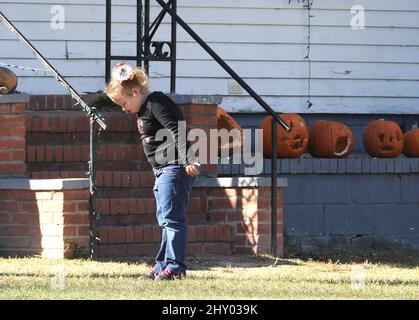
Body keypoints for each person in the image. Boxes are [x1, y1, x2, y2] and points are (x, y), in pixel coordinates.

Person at [105, 62, 200, 280]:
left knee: (173, 219)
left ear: (135, 91)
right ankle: (162, 264)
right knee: (165, 219)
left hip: (174, 168)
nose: (123, 108)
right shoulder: (145, 108)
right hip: (162, 171)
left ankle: (175, 267)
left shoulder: (156, 102)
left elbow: (177, 129)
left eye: (123, 102)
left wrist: (188, 159)